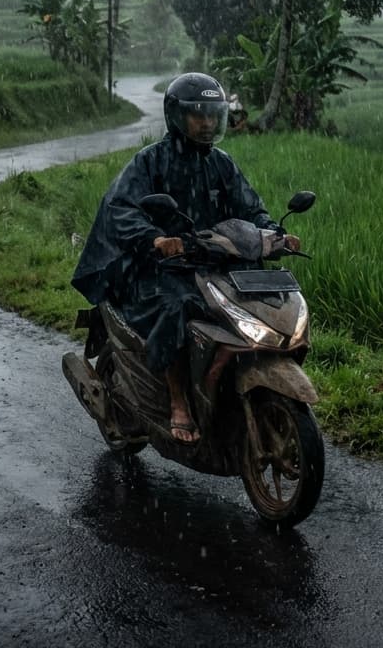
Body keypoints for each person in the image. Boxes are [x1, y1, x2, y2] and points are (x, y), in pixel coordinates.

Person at [71, 72, 300, 444]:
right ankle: (178, 400)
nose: (207, 123)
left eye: (213, 115)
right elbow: (121, 209)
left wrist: (274, 234)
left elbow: (251, 208)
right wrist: (156, 239)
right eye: (198, 115)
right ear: (177, 116)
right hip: (160, 269)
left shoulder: (222, 164)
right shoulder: (150, 162)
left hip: (213, 264)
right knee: (178, 306)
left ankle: (223, 386)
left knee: (253, 301)